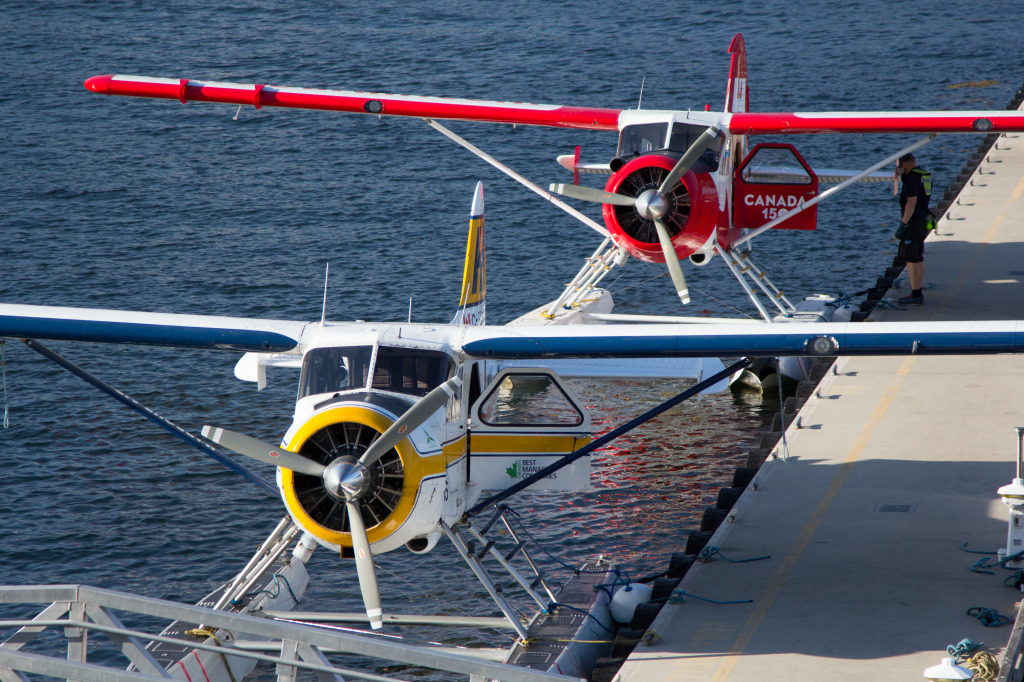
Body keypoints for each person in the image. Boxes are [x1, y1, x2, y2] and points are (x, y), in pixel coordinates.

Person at [895, 153, 932, 305]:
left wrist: (903, 224)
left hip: (913, 222)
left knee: (911, 260)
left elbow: (911, 201)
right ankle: (918, 289)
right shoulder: (924, 175)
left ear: (904, 165)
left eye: (899, 167)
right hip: (923, 219)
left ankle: (916, 295)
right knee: (919, 256)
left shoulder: (911, 179)